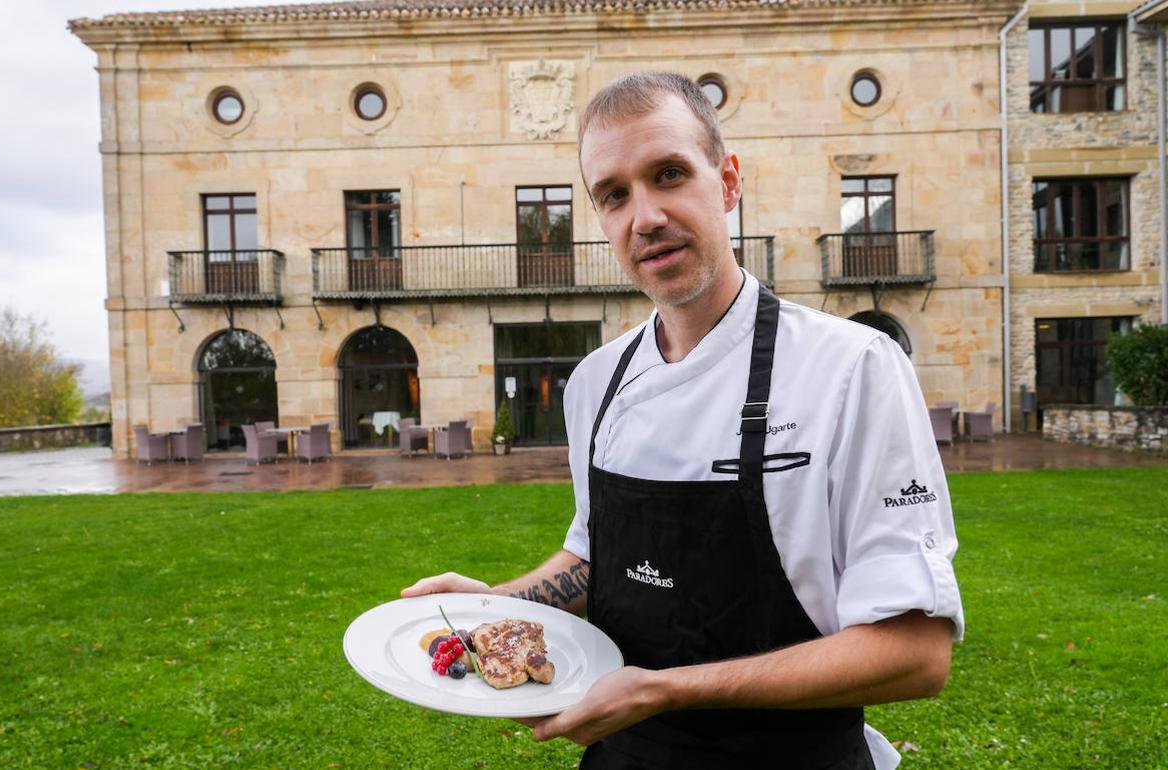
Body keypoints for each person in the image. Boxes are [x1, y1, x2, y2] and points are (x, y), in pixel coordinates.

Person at [402, 71, 963, 770]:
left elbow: (915, 652)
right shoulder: (595, 384)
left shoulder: (853, 368)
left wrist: (667, 691)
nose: (645, 217)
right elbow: (599, 557)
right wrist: (492, 609)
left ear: (727, 183)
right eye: (614, 195)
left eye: (668, 174)